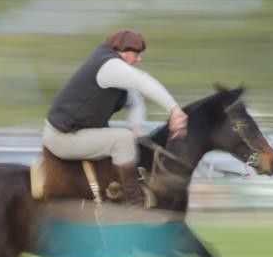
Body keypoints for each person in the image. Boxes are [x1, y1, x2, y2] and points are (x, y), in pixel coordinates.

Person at [43, 29, 188, 206]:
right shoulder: (110, 66)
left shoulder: (115, 68)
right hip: (62, 138)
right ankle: (133, 202)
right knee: (122, 139)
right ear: (123, 51)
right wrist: (175, 110)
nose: (138, 59)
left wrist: (136, 128)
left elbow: (135, 101)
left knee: (128, 137)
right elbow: (144, 82)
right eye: (136, 54)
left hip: (75, 132)